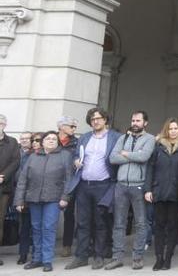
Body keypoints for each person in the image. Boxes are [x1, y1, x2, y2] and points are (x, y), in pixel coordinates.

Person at [65, 108, 121, 270]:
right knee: (82, 222)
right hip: (83, 185)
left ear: (105, 120)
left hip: (103, 185)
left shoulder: (115, 137)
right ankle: (81, 256)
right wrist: (76, 160)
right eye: (92, 119)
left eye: (98, 118)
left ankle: (99, 256)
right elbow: (77, 155)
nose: (95, 121)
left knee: (100, 222)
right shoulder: (84, 137)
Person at [13, 131, 73, 272]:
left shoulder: (65, 156)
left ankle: (47, 260)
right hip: (34, 198)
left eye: (54, 139)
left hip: (53, 199)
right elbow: (23, 179)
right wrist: (19, 200)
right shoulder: (33, 156)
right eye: (48, 139)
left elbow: (69, 178)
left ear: (58, 142)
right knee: (36, 228)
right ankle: (36, 259)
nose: (51, 141)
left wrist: (65, 197)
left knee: (48, 228)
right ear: (43, 142)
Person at [104, 110, 155, 270]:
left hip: (138, 186)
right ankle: (117, 257)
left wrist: (125, 154)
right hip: (121, 186)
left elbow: (144, 157)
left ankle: (137, 257)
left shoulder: (150, 139)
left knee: (141, 224)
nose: (134, 123)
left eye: (138, 121)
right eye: (133, 120)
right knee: (119, 223)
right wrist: (133, 154)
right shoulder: (123, 137)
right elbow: (113, 158)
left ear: (145, 123)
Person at [145, 118, 178, 270]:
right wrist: (148, 189)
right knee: (159, 226)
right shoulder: (158, 146)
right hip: (159, 191)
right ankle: (159, 258)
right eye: (170, 129)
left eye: (175, 129)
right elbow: (150, 168)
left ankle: (168, 258)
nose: (173, 131)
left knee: (172, 226)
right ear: (166, 130)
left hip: (176, 193)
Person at [56, 116, 79, 258]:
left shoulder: (77, 142)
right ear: (61, 127)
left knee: (69, 215)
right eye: (72, 126)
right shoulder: (51, 139)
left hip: (70, 182)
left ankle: (67, 245)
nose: (74, 129)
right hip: (51, 181)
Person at [0, 114, 20, 266]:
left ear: (4, 125)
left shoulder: (12, 142)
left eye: (0, 123)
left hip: (3, 188)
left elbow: (15, 161)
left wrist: (3, 176)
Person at [17, 131, 35, 265]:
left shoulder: (36, 155)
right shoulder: (17, 152)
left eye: (27, 139)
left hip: (34, 195)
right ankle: (23, 254)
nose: (24, 141)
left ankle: (35, 254)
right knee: (24, 227)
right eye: (21, 139)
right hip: (21, 193)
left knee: (35, 227)